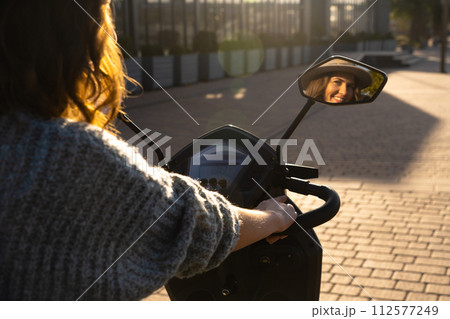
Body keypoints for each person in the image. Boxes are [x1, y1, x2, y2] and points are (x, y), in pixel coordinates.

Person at [0, 0, 296, 300]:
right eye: (105, 24)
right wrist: (272, 217)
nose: (113, 40)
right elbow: (190, 224)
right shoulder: (68, 154)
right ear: (75, 42)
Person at [301, 58, 372, 104]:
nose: (344, 92)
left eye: (350, 86)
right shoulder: (308, 106)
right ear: (320, 84)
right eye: (337, 82)